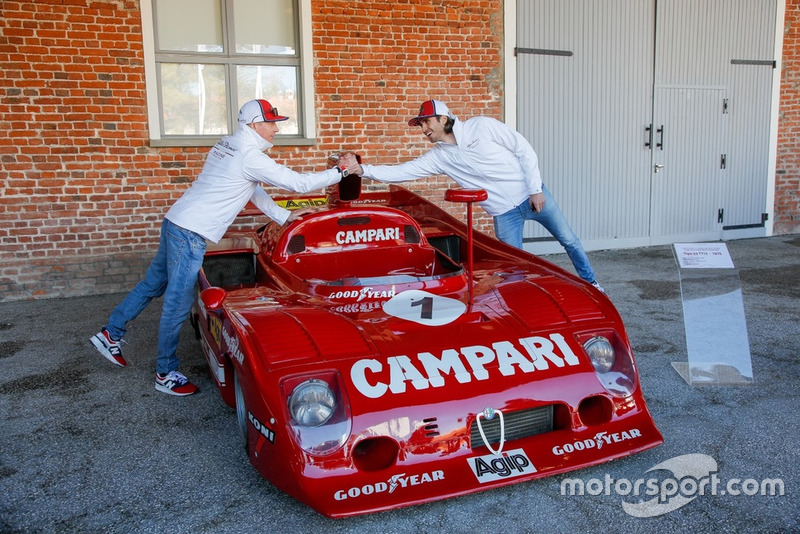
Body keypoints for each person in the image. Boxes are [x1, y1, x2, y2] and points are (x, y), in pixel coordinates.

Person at [90, 99, 360, 396]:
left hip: (176, 222)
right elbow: (297, 182)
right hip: (190, 233)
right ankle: (165, 372)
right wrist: (341, 171)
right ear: (255, 125)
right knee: (177, 305)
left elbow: (251, 187)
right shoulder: (248, 154)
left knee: (153, 284)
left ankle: (110, 333)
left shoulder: (229, 144)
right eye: (271, 123)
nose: (276, 129)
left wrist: (282, 216)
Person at [352, 99, 603, 292]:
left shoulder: (481, 126)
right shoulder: (439, 157)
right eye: (421, 125)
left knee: (569, 240)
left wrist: (535, 189)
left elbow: (523, 148)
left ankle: (591, 283)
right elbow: (403, 171)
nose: (424, 129)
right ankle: (520, 299)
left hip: (532, 196)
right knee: (513, 263)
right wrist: (364, 170)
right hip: (503, 213)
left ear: (443, 118)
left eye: (427, 122)